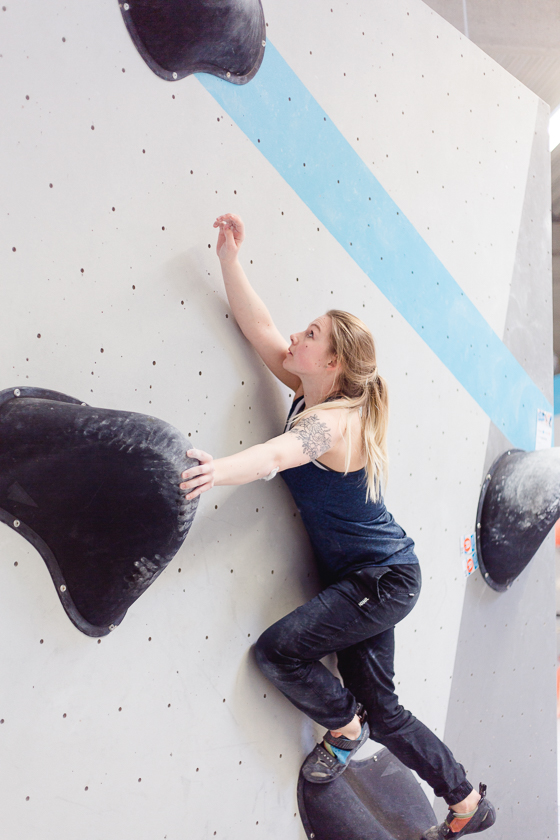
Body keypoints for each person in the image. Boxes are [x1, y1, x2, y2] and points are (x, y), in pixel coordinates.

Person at [179, 214, 496, 840]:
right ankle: (466, 801)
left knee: (278, 652)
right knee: (390, 709)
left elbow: (275, 457)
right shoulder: (310, 390)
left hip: (381, 579)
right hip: (374, 577)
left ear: (336, 362)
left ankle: (344, 728)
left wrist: (214, 471)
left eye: (312, 333)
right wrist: (228, 260)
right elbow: (263, 329)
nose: (297, 335)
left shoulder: (334, 424)